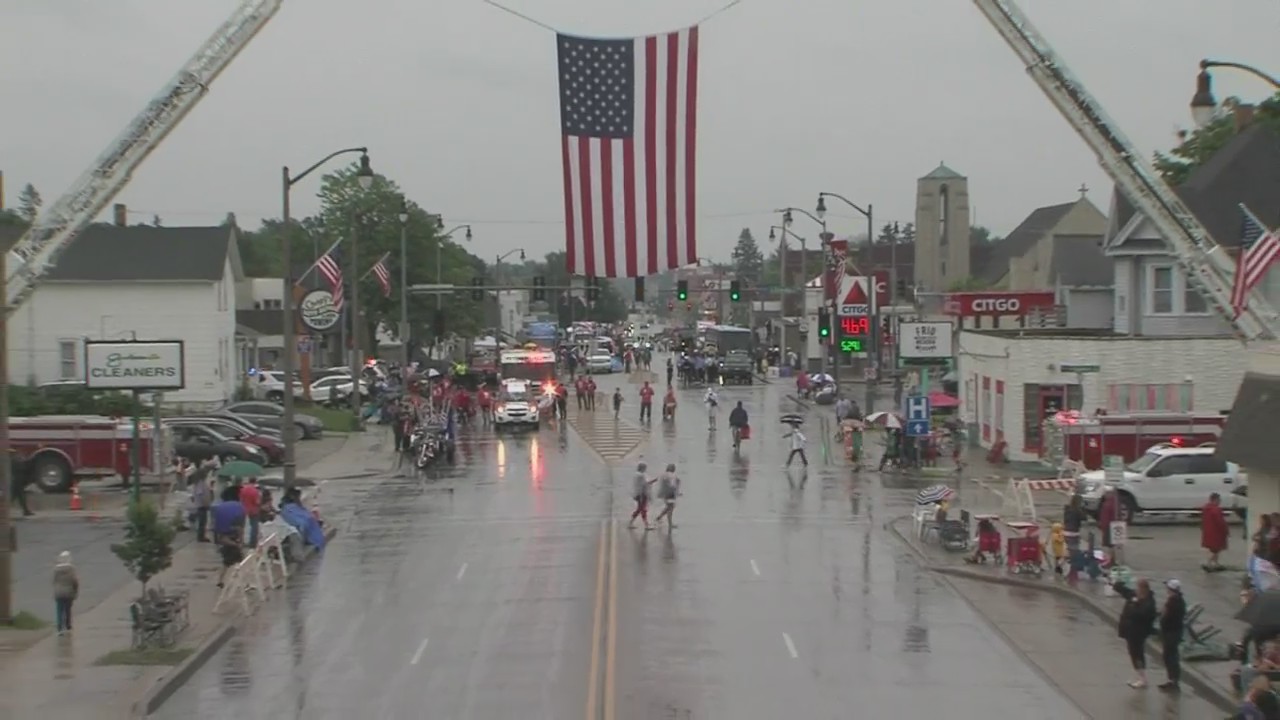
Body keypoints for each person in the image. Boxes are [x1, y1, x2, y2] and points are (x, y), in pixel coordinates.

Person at [1114, 578, 1157, 689]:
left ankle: (1142, 679)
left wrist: (1135, 604)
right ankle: (1139, 676)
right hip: (1130, 631)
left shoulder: (1149, 602)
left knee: (1137, 653)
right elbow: (1124, 591)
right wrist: (1117, 584)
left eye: (1138, 587)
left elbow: (1142, 615)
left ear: (1143, 589)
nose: (1136, 589)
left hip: (1138, 632)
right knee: (1133, 653)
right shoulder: (1134, 595)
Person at [211, 485, 246, 588]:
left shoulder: (219, 507)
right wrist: (241, 541)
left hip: (222, 537)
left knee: (227, 561)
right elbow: (240, 526)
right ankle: (242, 582)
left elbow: (214, 525)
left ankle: (221, 580)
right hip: (233, 537)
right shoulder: (239, 507)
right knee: (239, 560)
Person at [1158, 578, 1187, 692]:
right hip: (1173, 632)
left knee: (1170, 657)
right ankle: (1172, 680)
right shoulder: (1177, 600)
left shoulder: (1173, 602)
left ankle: (1173, 681)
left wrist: (1161, 618)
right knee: (1170, 656)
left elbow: (1165, 617)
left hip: (1171, 633)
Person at [52, 550, 78, 635]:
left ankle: (59, 627)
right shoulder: (71, 569)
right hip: (68, 592)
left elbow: (54, 581)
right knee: (68, 610)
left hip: (59, 592)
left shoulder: (56, 569)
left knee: (59, 610)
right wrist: (75, 591)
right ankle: (68, 625)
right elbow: (74, 581)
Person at [1202, 492, 1229, 572]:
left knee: (1214, 549)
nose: (1220, 501)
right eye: (1219, 499)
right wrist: (1226, 530)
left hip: (1208, 532)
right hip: (1217, 533)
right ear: (1215, 500)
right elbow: (1220, 522)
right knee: (1216, 549)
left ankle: (1216, 564)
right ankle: (1208, 564)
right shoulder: (1216, 509)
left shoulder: (1206, 509)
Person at [651, 463, 681, 530]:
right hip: (670, 494)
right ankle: (670, 524)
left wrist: (650, 482)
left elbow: (656, 479)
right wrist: (677, 491)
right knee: (670, 508)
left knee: (669, 507)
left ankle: (659, 517)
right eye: (673, 468)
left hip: (665, 494)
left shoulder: (664, 474)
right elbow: (673, 485)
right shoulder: (672, 475)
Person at [628, 462, 655, 530]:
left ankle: (631, 523)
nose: (645, 469)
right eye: (645, 468)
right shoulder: (641, 475)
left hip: (638, 493)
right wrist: (655, 480)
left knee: (640, 509)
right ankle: (646, 525)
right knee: (642, 509)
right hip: (642, 494)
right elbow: (646, 483)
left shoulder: (637, 474)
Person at [239, 478, 262, 549]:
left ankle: (241, 542)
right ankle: (252, 543)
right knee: (254, 527)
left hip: (243, 509)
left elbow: (241, 499)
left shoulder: (243, 489)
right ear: (255, 482)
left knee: (242, 526)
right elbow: (257, 502)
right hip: (253, 510)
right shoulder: (255, 491)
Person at [9, 450, 32, 517]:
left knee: (18, 496)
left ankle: (26, 511)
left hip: (17, 480)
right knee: (15, 496)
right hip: (17, 480)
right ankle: (26, 511)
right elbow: (22, 468)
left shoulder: (14, 459)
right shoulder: (15, 460)